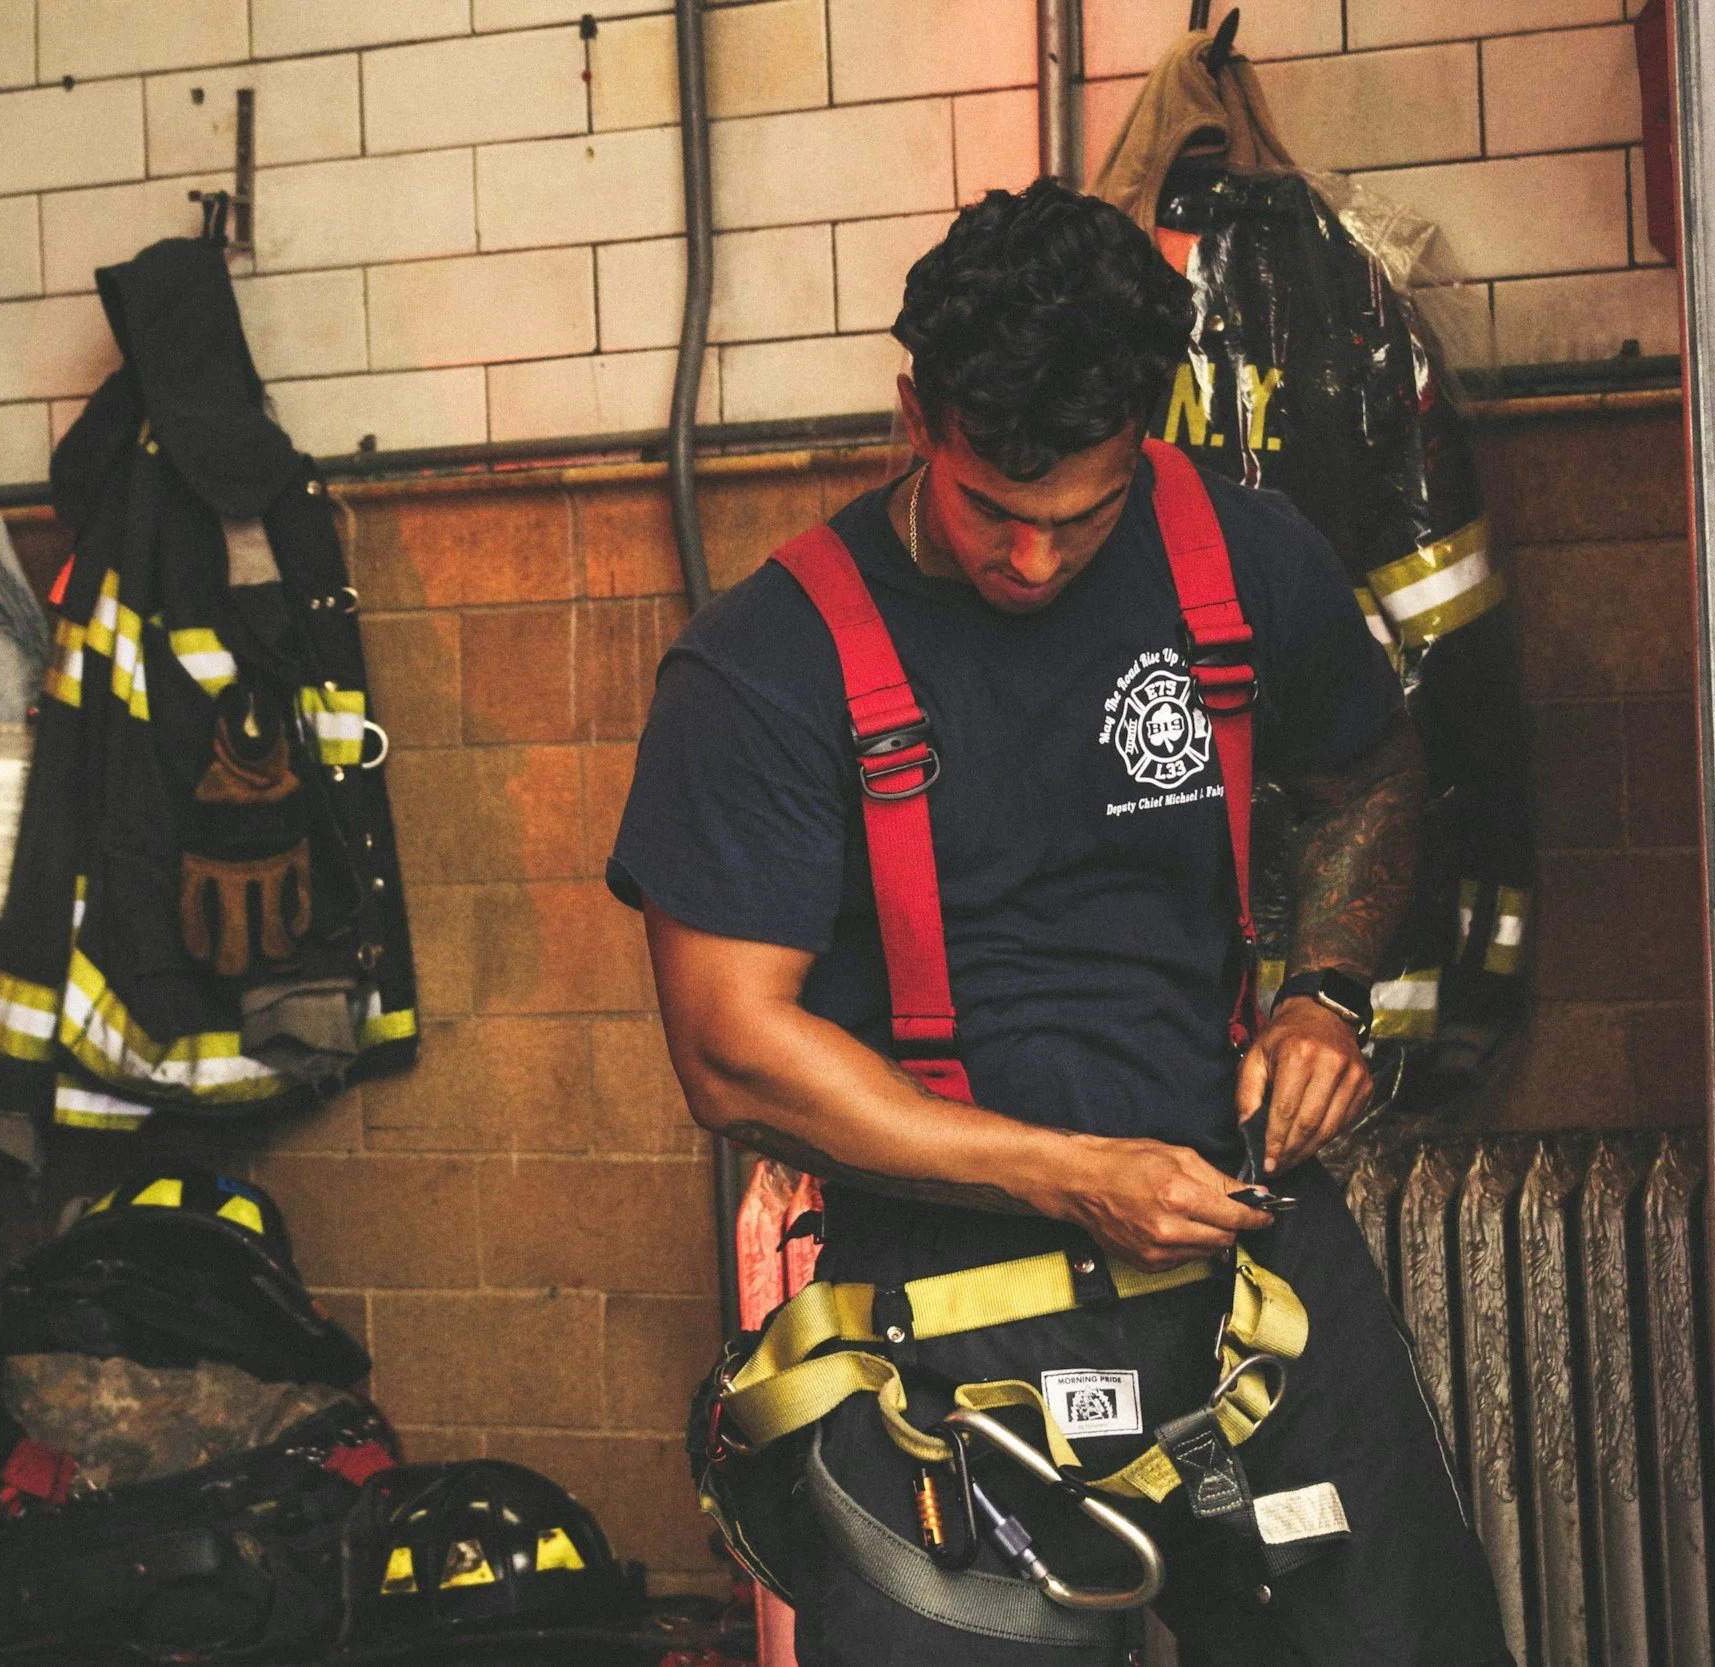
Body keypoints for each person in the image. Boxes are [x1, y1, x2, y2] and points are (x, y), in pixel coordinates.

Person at [608, 180, 1510, 1666]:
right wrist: (1066, 1174)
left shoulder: (1248, 558)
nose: (1030, 561)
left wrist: (1322, 993)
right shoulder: (763, 665)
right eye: (990, 512)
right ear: (915, 415)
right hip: (937, 1321)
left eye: (1079, 521)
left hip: (1243, 1265)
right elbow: (732, 1055)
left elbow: (1370, 775)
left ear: (1149, 427)